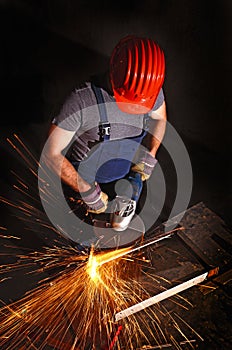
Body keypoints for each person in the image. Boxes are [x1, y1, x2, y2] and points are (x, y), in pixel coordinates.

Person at [43, 35, 167, 244]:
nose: (137, 108)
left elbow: (160, 119)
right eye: (130, 101)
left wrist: (150, 155)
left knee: (117, 242)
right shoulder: (81, 100)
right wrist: (85, 190)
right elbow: (51, 153)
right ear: (114, 75)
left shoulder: (150, 91)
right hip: (83, 182)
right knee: (79, 243)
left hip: (125, 174)